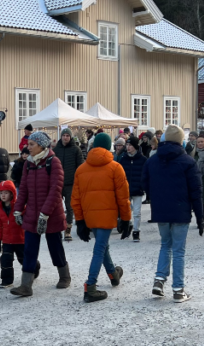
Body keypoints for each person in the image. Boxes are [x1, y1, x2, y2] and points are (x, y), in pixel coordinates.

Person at [142, 125, 203, 302]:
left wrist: (157, 197)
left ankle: (159, 280)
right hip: (181, 210)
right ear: (181, 141)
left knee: (165, 245)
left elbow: (144, 183)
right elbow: (196, 191)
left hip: (161, 210)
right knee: (178, 250)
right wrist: (200, 218)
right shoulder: (188, 162)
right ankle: (178, 289)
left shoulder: (152, 161)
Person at [71, 132, 130, 302]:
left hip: (90, 216)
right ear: (108, 147)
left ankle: (113, 274)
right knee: (100, 248)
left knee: (102, 246)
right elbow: (123, 197)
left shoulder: (81, 169)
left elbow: (75, 199)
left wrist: (80, 221)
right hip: (107, 214)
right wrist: (126, 219)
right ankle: (90, 286)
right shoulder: (115, 167)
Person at [10, 131, 69, 297]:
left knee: (55, 247)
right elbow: (24, 189)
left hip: (51, 214)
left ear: (41, 146)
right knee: (29, 248)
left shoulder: (53, 162)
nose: (27, 147)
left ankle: (64, 275)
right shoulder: (28, 164)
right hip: (32, 213)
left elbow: (55, 190)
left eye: (31, 145)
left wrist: (45, 213)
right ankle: (26, 285)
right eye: (27, 144)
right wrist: (17, 209)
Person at [0, 180, 38, 287]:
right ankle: (7, 281)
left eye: (6, 193)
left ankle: (35, 267)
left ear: (12, 193)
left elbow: (29, 219)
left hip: (20, 240)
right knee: (5, 260)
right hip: (7, 241)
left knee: (23, 259)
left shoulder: (20, 207)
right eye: (1, 193)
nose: (3, 195)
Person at [54, 128, 83, 242]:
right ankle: (58, 229)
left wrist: (78, 181)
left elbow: (80, 167)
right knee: (57, 207)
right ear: (61, 137)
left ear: (70, 137)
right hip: (58, 183)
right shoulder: (56, 149)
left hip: (71, 183)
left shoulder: (76, 150)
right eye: (64, 135)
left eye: (67, 135)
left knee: (70, 207)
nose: (65, 137)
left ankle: (68, 230)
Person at [115, 135, 146, 241]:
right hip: (126, 190)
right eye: (127, 145)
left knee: (137, 212)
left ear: (136, 147)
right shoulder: (123, 159)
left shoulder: (142, 160)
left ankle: (136, 231)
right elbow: (119, 175)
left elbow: (145, 175)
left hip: (138, 189)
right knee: (125, 211)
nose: (128, 147)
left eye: (131, 145)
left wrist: (143, 186)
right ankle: (126, 227)